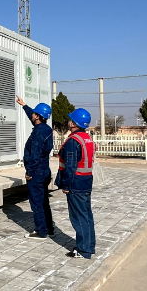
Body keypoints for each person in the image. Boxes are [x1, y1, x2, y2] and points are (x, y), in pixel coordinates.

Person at [55, 108, 96, 259]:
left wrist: (66, 186)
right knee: (86, 216)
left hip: (75, 184)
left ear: (73, 123)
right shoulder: (87, 138)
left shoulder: (73, 141)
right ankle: (89, 246)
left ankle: (84, 250)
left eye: (70, 119)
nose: (68, 121)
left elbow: (70, 166)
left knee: (79, 218)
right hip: (86, 181)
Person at [16, 96, 54, 240]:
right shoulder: (46, 129)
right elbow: (32, 116)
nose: (32, 114)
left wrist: (29, 172)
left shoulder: (38, 133)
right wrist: (24, 105)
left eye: (34, 113)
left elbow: (35, 154)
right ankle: (49, 228)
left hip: (36, 172)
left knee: (37, 203)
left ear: (37, 116)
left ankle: (41, 231)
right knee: (44, 201)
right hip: (45, 170)